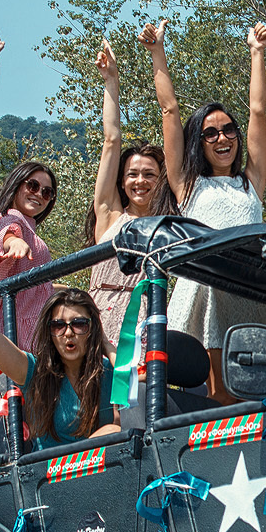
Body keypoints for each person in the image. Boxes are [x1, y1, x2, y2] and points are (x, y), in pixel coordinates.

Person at [159, 20, 266, 403]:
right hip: (205, 291)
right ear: (199, 142)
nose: (222, 137)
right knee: (215, 397)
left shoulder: (251, 181)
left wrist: (257, 52)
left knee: (254, 393)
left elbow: (257, 110)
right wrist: (157, 52)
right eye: (210, 133)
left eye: (228, 130)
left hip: (247, 292)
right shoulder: (188, 186)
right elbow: (169, 111)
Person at [0, 221, 120, 448]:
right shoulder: (34, 372)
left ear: (92, 329)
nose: (68, 332)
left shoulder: (106, 370)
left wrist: (106, 347)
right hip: (52, 477)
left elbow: (125, 420)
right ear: (49, 332)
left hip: (109, 473)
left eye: (79, 324)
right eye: (58, 325)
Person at [83, 34, 178, 384]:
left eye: (150, 174)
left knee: (135, 411)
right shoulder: (109, 216)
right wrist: (111, 82)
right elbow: (111, 141)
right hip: (96, 321)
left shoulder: (168, 226)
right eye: (132, 174)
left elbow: (172, 119)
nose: (140, 181)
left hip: (143, 322)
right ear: (122, 181)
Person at [0, 158, 60, 387]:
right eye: (32, 185)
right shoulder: (11, 216)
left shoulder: (28, 224)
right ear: (16, 185)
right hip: (17, 330)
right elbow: (6, 233)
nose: (39, 194)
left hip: (28, 326)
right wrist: (15, 243)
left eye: (47, 192)